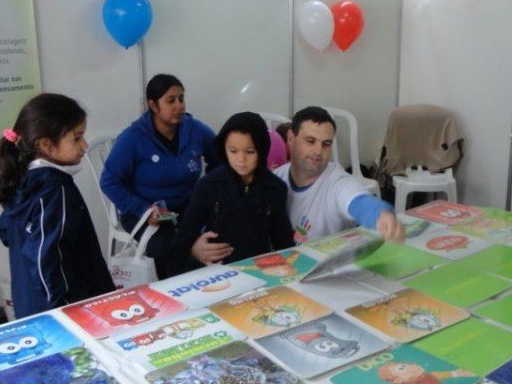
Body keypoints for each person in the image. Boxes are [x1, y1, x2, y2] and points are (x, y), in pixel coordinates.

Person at [191, 106, 404, 264]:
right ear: (291, 138)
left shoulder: (337, 181)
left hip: (323, 274)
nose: (318, 151)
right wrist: (197, 246)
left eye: (326, 144)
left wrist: (379, 214)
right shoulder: (275, 180)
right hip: (277, 273)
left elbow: (358, 201)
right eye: (310, 141)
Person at [0, 93, 115, 318]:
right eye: (77, 138)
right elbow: (46, 259)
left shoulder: (23, 178)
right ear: (45, 144)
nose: (85, 146)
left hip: (30, 302)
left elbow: (5, 231)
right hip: (65, 310)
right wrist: (66, 310)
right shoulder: (56, 191)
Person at [100, 74, 219, 279]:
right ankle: (175, 294)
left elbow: (220, 160)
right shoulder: (133, 137)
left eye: (181, 99)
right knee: (165, 247)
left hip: (187, 206)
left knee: (219, 233)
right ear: (153, 105)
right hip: (144, 211)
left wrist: (209, 195)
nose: (179, 106)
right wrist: (143, 209)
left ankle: (211, 287)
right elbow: (109, 181)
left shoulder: (195, 129)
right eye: (170, 101)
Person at [170, 112, 294, 273]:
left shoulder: (275, 188)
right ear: (224, 149)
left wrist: (292, 275)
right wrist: (175, 279)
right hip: (214, 271)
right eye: (233, 151)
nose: (241, 159)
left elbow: (282, 239)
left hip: (256, 271)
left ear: (262, 150)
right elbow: (185, 235)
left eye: (249, 151)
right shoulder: (209, 185)